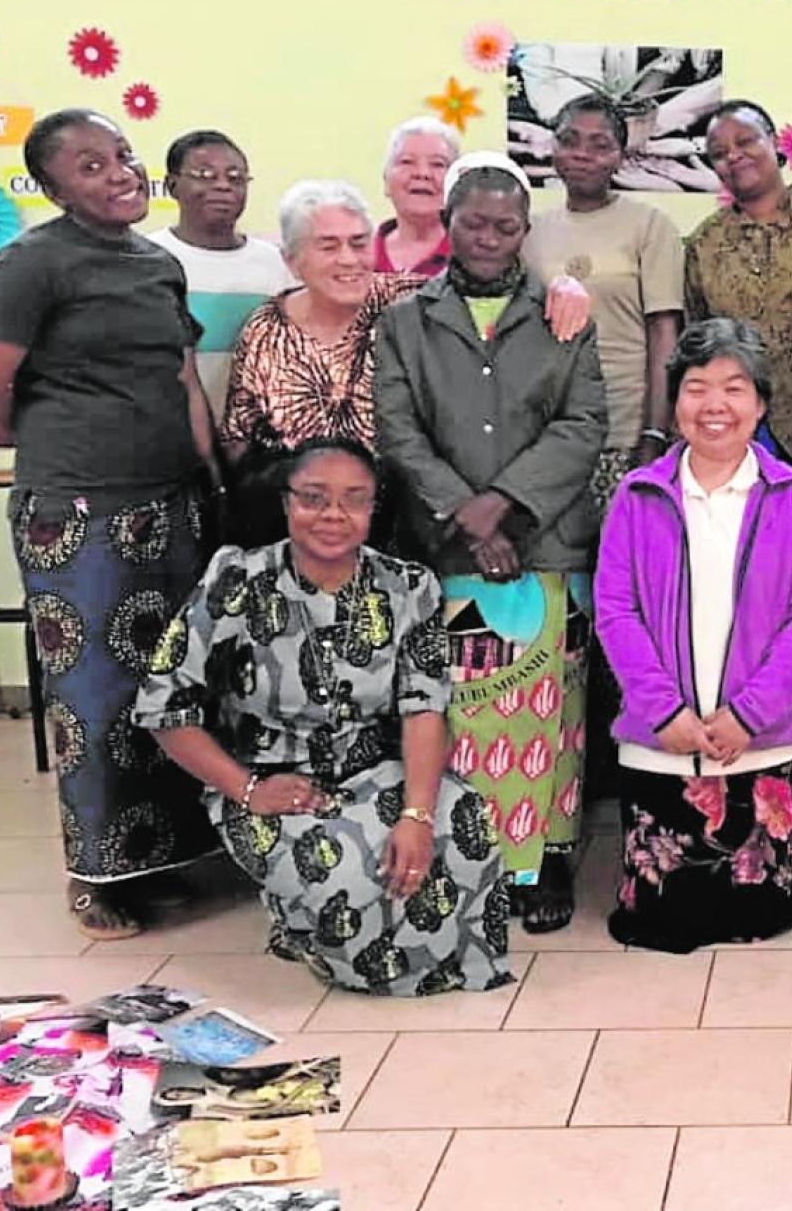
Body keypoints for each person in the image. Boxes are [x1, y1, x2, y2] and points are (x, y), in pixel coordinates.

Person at [0, 108, 220, 939]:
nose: (119, 173)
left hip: (170, 500)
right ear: (51, 186)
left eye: (123, 156)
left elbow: (182, 379)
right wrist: (56, 429)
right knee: (93, 696)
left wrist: (210, 471)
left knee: (170, 685)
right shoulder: (26, 266)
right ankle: (97, 873)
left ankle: (161, 857)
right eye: (90, 165)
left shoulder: (155, 264)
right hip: (76, 514)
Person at [131, 438, 511, 995]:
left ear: (373, 508)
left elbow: (425, 709)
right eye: (314, 498)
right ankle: (312, 930)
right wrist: (247, 788)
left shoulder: (409, 587)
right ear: (286, 502)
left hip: (377, 769)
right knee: (345, 875)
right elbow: (161, 707)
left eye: (354, 500)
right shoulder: (238, 580)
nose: (333, 515)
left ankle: (438, 956)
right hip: (274, 778)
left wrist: (416, 814)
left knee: (465, 823)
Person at [375, 155, 608, 935]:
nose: (489, 237)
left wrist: (505, 506)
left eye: (506, 225)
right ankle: (466, 857)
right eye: (473, 221)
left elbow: (583, 425)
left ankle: (545, 861)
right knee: (460, 718)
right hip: (443, 551)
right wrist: (463, 512)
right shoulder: (407, 321)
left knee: (549, 716)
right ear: (447, 222)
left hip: (544, 545)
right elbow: (397, 428)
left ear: (525, 230)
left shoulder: (563, 315)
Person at [595, 318, 792, 952]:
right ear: (674, 403)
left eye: (734, 388)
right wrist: (661, 709)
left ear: (760, 404)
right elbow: (615, 610)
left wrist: (751, 713)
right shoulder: (638, 496)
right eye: (696, 387)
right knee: (661, 917)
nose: (715, 406)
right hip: (660, 738)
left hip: (759, 740)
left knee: (763, 916)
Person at [223, 181, 589, 547]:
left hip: (400, 521)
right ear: (291, 260)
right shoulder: (266, 326)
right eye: (328, 246)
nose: (349, 259)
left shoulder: (410, 300)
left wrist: (562, 287)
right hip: (296, 527)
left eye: (358, 242)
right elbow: (239, 438)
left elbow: (491, 283)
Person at [523, 92, 685, 501]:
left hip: (626, 432)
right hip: (551, 432)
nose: (582, 154)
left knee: (624, 561)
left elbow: (664, 332)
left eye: (600, 145)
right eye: (570, 140)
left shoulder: (649, 225)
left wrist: (654, 431)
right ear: (553, 148)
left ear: (620, 156)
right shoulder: (529, 231)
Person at [684, 99, 792, 469]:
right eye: (719, 153)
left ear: (774, 142)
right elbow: (695, 344)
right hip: (736, 429)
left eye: (746, 141)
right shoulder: (704, 244)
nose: (734, 156)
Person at [146, 130, 290, 419]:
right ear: (172, 185)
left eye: (236, 178)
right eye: (205, 175)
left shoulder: (279, 264)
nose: (223, 186)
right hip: (168, 434)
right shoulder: (146, 260)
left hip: (256, 438)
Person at [374, 117, 460, 278]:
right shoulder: (359, 257)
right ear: (386, 180)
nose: (423, 173)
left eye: (437, 164)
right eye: (407, 162)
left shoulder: (473, 258)